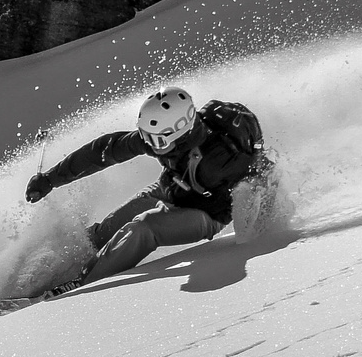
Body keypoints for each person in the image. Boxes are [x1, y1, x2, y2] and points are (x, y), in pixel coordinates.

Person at [24, 87, 265, 297]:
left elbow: (263, 177)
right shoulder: (162, 139)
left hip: (205, 214)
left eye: (156, 141)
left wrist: (257, 223)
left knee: (143, 227)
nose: (149, 145)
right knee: (107, 231)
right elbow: (105, 150)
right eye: (146, 137)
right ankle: (57, 270)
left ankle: (82, 284)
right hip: (171, 189)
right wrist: (50, 179)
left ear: (181, 134)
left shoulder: (220, 161)